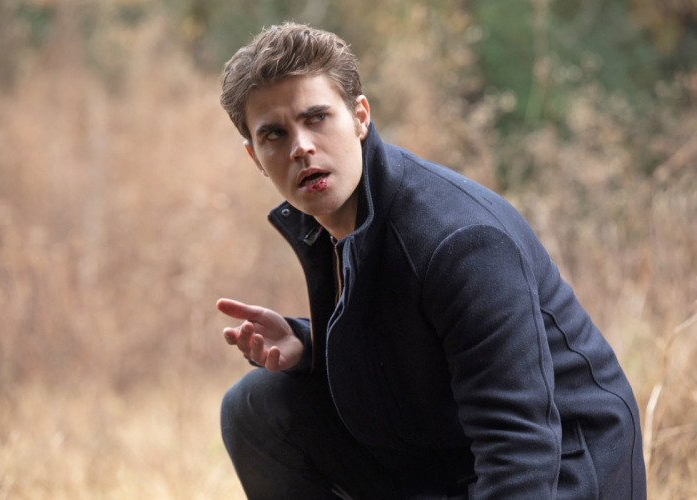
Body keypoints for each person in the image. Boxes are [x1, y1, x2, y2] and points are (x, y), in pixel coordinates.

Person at [216, 22, 646, 499]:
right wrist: (310, 346)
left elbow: (519, 444)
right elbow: (415, 344)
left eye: (316, 117)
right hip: (453, 459)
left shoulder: (460, 241)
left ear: (360, 117)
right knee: (258, 406)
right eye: (274, 134)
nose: (301, 147)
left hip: (563, 470)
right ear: (255, 157)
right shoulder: (335, 224)